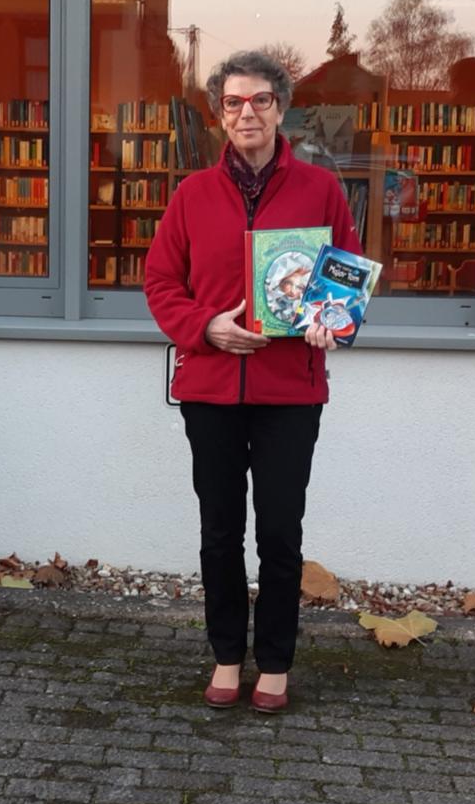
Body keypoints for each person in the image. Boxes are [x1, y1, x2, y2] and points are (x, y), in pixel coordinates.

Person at [143, 50, 362, 715]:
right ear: (218, 114)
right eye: (234, 102)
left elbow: (345, 283)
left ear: (281, 107)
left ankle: (276, 662)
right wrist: (206, 327)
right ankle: (226, 655)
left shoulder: (322, 190)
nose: (248, 113)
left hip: (290, 393)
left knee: (279, 533)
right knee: (218, 531)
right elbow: (160, 284)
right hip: (210, 390)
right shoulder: (190, 196)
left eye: (260, 100)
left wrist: (334, 322)